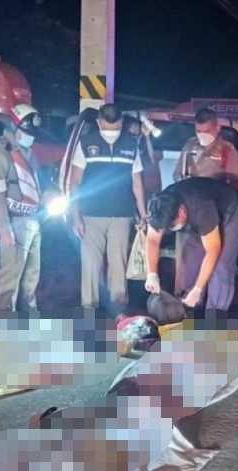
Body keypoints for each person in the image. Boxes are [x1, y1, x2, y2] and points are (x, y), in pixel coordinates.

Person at [68, 103, 149, 315]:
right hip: (90, 214)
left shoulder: (131, 145)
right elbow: (74, 182)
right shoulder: (86, 143)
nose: (112, 131)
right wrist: (75, 216)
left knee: (118, 263)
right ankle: (89, 309)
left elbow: (137, 183)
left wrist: (143, 214)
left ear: (121, 123)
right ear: (99, 123)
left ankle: (118, 309)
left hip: (121, 215)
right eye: (109, 126)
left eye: (115, 127)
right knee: (91, 264)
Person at [142, 177, 238, 319]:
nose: (171, 229)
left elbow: (213, 250)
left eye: (172, 225)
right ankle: (187, 308)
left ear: (182, 211)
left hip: (231, 213)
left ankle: (215, 317)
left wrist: (198, 288)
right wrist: (152, 275)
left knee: (221, 265)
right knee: (189, 259)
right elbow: (152, 240)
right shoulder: (158, 207)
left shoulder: (201, 207)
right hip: (197, 220)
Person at [0, 103, 48, 316]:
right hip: (14, 221)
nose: (31, 137)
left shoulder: (29, 153)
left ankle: (29, 315)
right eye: (27, 132)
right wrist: (4, 228)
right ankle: (5, 319)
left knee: (32, 274)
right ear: (13, 127)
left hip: (33, 219)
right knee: (10, 276)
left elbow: (37, 185)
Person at [174, 107, 238, 190]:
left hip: (215, 195)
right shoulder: (190, 145)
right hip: (190, 194)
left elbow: (235, 184)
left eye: (206, 132)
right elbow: (178, 174)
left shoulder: (227, 150)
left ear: (217, 128)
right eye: (198, 131)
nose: (202, 135)